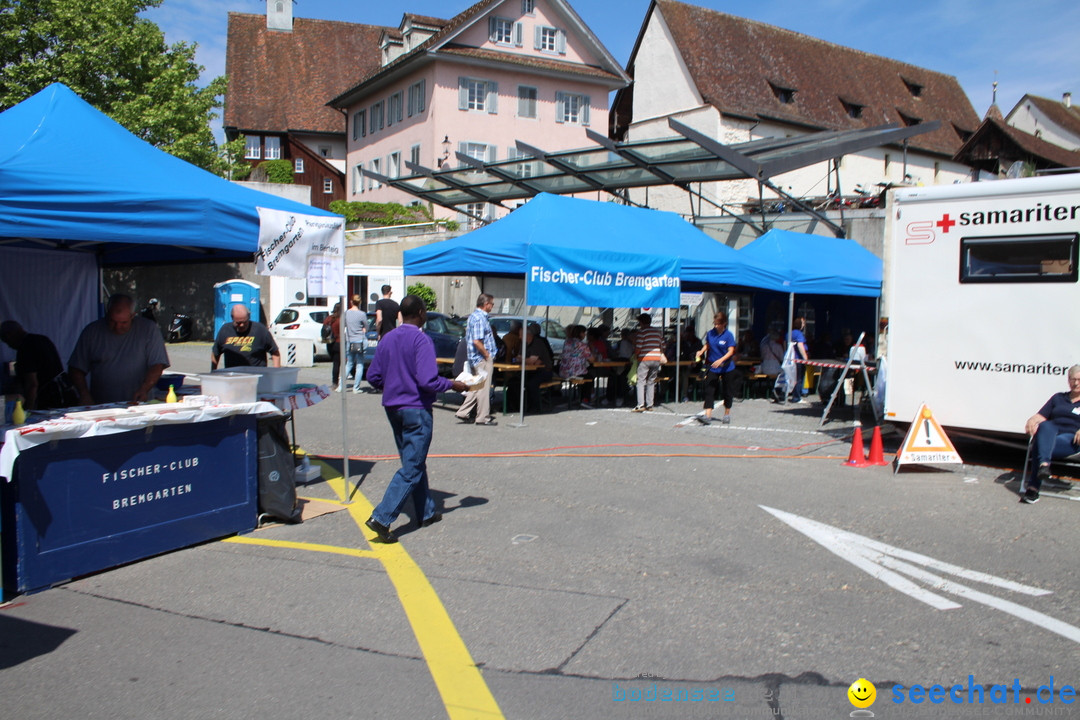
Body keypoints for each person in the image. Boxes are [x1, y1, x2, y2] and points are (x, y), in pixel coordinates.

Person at [364, 295, 468, 542]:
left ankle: (426, 512)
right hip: (416, 409)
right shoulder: (422, 340)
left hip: (393, 407)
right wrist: (453, 384)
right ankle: (382, 516)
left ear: (401, 313)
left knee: (414, 460)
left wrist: (394, 384)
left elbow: (373, 376)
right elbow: (427, 380)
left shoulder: (387, 338)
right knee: (411, 467)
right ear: (421, 313)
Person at [69, 293, 170, 404]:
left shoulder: (148, 329)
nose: (118, 327)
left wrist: (144, 389)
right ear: (107, 314)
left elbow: (157, 365)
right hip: (101, 405)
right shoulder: (92, 331)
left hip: (138, 403)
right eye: (113, 321)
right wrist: (84, 394)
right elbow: (76, 368)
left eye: (123, 322)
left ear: (133, 316)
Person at [1021, 365, 1080, 504]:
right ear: (1068, 380)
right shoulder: (1058, 397)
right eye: (1073, 379)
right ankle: (1044, 465)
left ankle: (1034, 487)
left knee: (1039, 444)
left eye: (1079, 379)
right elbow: (1041, 416)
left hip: (1071, 439)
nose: (1076, 383)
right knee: (1045, 425)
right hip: (1052, 434)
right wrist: (1032, 420)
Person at [0, 320, 76, 410]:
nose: (9, 346)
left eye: (7, 342)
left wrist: (28, 409)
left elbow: (32, 384)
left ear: (9, 335)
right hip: (64, 391)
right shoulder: (42, 339)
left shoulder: (25, 347)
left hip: (50, 397)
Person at [455, 293, 497, 426]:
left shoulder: (474, 316)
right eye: (492, 304)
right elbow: (477, 341)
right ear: (486, 304)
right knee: (484, 388)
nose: (492, 306)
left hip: (476, 358)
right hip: (481, 359)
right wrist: (487, 355)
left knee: (477, 386)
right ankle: (482, 417)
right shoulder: (479, 318)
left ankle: (463, 411)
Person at [696, 311, 737, 424]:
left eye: (718, 324)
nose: (716, 326)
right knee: (709, 389)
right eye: (715, 323)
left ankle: (727, 413)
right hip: (712, 366)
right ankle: (708, 415)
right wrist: (701, 351)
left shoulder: (728, 335)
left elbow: (731, 351)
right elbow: (708, 344)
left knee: (727, 391)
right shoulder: (710, 333)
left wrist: (721, 360)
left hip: (726, 367)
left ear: (724, 323)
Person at [211, 304, 280, 369]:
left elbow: (275, 353)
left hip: (256, 377)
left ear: (249, 316)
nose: (242, 325)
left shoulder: (260, 330)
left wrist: (276, 373)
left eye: (244, 322)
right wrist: (213, 372)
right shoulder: (225, 330)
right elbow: (215, 353)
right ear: (232, 317)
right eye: (238, 323)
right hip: (233, 377)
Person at [631, 313, 665, 412]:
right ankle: (650, 404)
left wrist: (636, 356)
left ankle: (640, 404)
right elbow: (663, 345)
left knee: (641, 381)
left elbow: (639, 347)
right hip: (656, 359)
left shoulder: (642, 332)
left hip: (644, 359)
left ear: (641, 322)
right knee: (651, 381)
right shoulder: (658, 332)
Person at [559, 325, 595, 407]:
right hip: (575, 373)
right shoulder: (582, 345)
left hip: (563, 372)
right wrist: (592, 349)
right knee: (589, 377)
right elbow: (592, 360)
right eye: (584, 333)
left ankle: (580, 398)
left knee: (586, 376)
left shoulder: (567, 342)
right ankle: (585, 399)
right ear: (581, 333)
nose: (585, 335)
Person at [523, 321, 554, 413]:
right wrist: (526, 359)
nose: (519, 337)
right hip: (532, 370)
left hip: (544, 371)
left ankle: (535, 407)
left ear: (528, 335)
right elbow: (518, 357)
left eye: (521, 335)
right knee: (516, 381)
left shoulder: (538, 342)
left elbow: (531, 361)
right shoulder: (524, 343)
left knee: (531, 383)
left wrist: (524, 359)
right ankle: (518, 405)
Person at [343, 295, 368, 393]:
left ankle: (341, 385)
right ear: (360, 302)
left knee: (349, 364)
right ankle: (356, 388)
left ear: (351, 302)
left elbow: (344, 325)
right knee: (360, 364)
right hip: (359, 340)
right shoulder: (362, 314)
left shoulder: (347, 313)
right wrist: (363, 329)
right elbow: (366, 326)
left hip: (350, 340)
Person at [789, 317, 809, 402]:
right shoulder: (799, 334)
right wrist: (805, 358)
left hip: (790, 358)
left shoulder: (789, 333)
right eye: (803, 324)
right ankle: (797, 397)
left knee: (792, 378)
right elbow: (800, 346)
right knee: (799, 378)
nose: (804, 325)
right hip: (798, 359)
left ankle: (793, 394)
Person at [324, 303, 343, 391]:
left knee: (334, 364)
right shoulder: (340, 320)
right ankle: (337, 382)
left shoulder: (328, 318)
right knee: (337, 364)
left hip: (329, 343)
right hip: (338, 343)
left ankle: (334, 383)